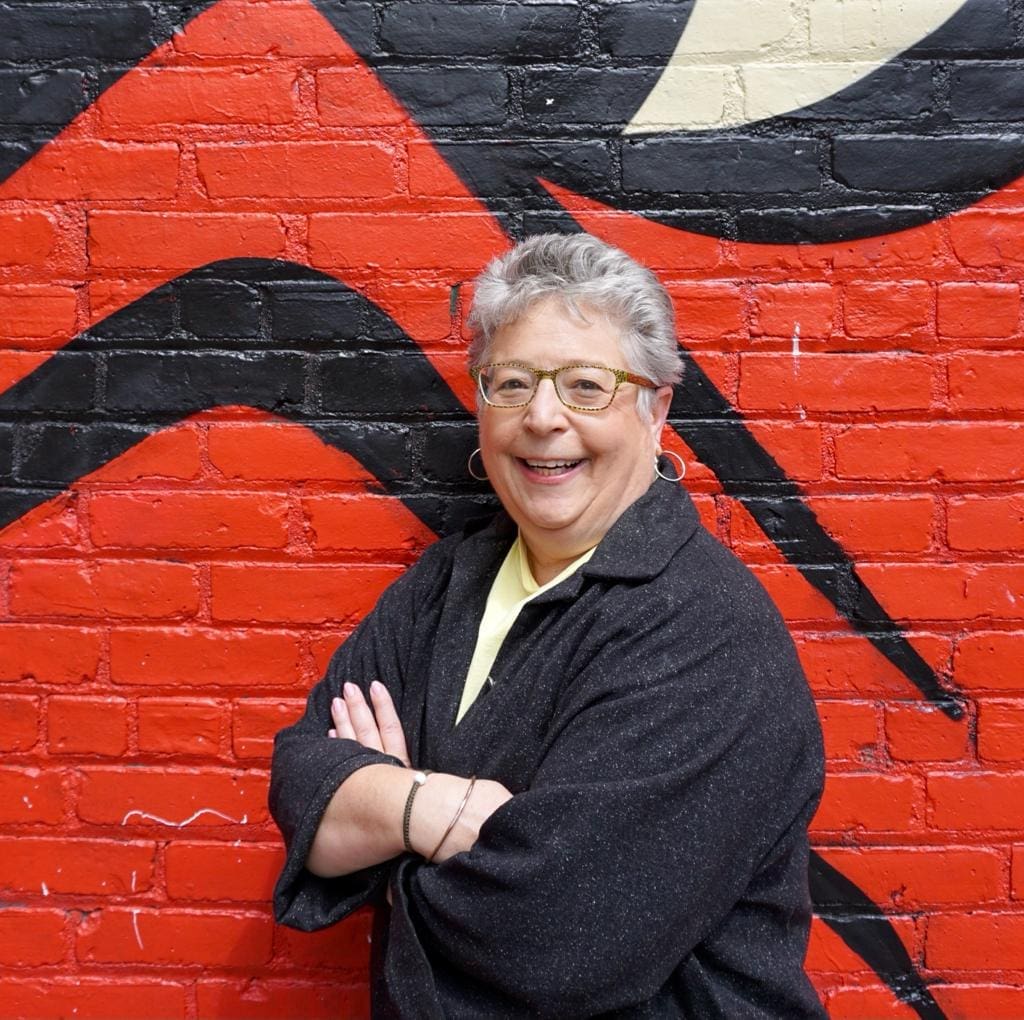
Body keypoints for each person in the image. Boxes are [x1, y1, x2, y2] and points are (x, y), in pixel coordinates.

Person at [269, 233, 826, 1018]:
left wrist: (385, 816)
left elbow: (558, 939)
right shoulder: (447, 584)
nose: (542, 418)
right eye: (513, 383)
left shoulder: (705, 630)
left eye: (586, 386)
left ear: (655, 408)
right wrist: (445, 812)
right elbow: (302, 784)